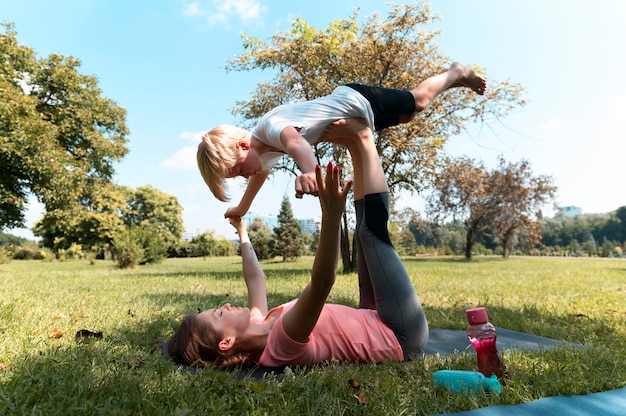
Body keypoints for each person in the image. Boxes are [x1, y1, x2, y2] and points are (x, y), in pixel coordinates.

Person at [168, 118, 429, 368]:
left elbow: (255, 278)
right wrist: (331, 216)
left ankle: (356, 145)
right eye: (220, 314)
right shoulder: (280, 341)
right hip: (399, 334)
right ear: (227, 343)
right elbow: (322, 283)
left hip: (372, 315)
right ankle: (363, 139)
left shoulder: (260, 323)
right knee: (369, 234)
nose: (225, 306)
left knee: (364, 233)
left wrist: (242, 231)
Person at [197, 62, 486, 219]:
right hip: (361, 118)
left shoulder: (269, 127)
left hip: (358, 99)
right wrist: (243, 208)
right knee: (409, 117)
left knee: (419, 102)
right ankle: (450, 83)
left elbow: (297, 143)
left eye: (236, 170)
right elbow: (259, 176)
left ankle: (454, 72)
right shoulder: (259, 156)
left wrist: (309, 171)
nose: (242, 176)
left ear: (243, 146)